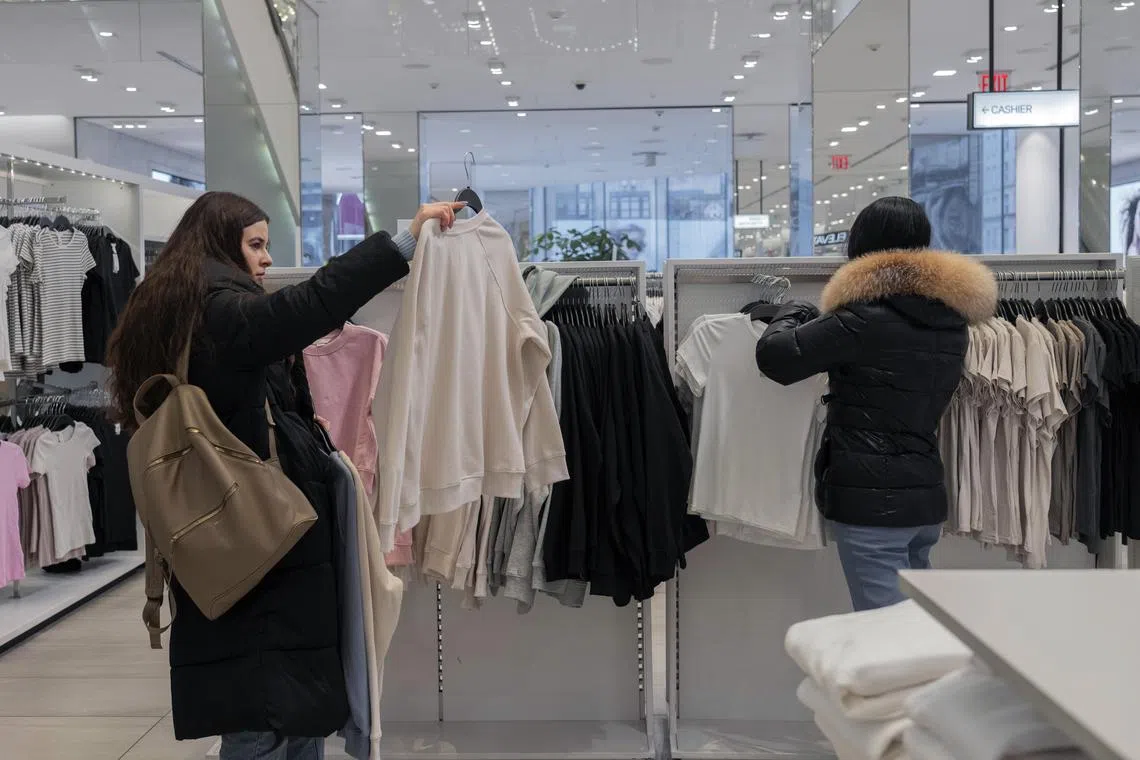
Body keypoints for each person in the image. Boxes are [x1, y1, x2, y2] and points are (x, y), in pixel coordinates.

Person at [105, 191, 465, 760]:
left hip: (223, 530)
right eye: (256, 245)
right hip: (261, 539)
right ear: (220, 245)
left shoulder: (174, 308)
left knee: (274, 706)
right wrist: (403, 243)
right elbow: (311, 305)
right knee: (268, 715)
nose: (267, 259)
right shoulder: (220, 311)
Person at [754, 197, 996, 611]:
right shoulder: (951, 321)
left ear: (860, 247)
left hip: (872, 502)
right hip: (923, 499)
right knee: (918, 621)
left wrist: (791, 312)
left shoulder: (861, 319)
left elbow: (777, 358)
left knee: (885, 634)